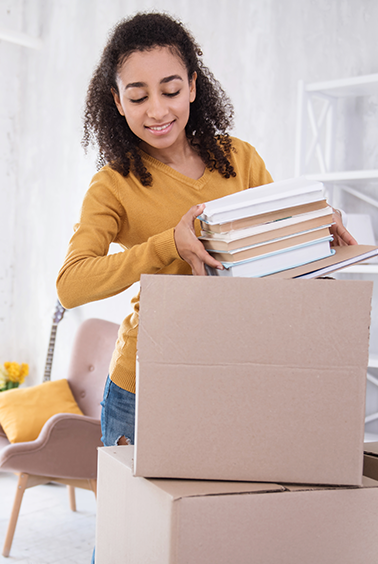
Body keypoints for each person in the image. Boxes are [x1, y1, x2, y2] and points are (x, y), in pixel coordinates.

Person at [57, 10, 355, 456]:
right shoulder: (113, 185)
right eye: (137, 98)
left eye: (171, 90)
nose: (157, 110)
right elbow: (70, 285)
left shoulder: (240, 159)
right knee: (143, 523)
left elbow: (278, 253)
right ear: (117, 102)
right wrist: (166, 245)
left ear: (193, 86)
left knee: (218, 518)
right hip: (146, 381)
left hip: (235, 368)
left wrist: (313, 222)